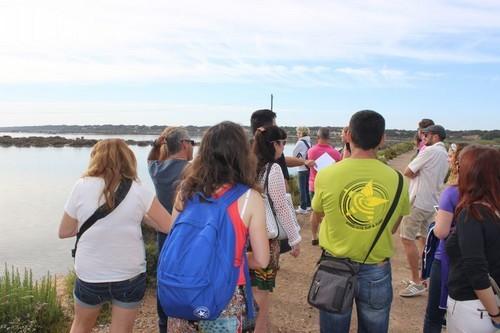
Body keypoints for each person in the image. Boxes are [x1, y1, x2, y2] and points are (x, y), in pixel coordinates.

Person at [58, 139, 172, 333]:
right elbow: (168, 225)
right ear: (128, 160)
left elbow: (65, 231)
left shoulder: (81, 186)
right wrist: (139, 217)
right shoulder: (138, 190)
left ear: (96, 159)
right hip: (128, 273)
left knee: (81, 326)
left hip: (90, 273)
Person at [311, 110, 410, 333]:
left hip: (335, 267)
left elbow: (320, 214)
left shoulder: (327, 175)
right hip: (377, 269)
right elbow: (393, 227)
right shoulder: (398, 180)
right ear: (382, 139)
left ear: (348, 136)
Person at [167, 121, 270, 333]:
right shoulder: (249, 198)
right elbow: (262, 259)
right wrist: (231, 259)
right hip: (224, 300)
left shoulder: (185, 191)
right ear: (243, 154)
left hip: (182, 295)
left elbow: (173, 240)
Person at [251, 125, 302, 332]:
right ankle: (260, 327)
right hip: (265, 238)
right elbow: (281, 206)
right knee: (262, 290)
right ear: (273, 144)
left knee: (250, 284)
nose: (283, 147)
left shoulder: (248, 165)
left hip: (245, 235)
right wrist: (295, 238)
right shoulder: (273, 169)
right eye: (282, 142)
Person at [445, 145, 500, 333]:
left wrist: (495, 315)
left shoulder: (472, 214)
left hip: (474, 309)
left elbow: (476, 270)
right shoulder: (494, 208)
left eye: (460, 166)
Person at [147, 126, 194, 333]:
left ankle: (164, 325)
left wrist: (157, 144)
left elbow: (150, 159)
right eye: (191, 142)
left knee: (164, 279)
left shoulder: (157, 170)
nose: (192, 147)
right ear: (184, 144)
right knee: (189, 279)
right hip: (188, 236)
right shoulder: (192, 171)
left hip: (164, 236)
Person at [400, 125, 449, 297]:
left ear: (435, 136)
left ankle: (417, 281)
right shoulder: (445, 154)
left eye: (426, 135)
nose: (423, 137)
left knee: (406, 238)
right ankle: (424, 279)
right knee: (426, 241)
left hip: (418, 201)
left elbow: (408, 171)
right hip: (433, 202)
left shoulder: (428, 151)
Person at [423, 143, 467, 333]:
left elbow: (441, 232)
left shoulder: (452, 192)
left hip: (447, 258)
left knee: (434, 316)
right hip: (478, 260)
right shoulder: (492, 193)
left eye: (452, 157)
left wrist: (438, 220)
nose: (449, 159)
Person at [250, 109, 315, 180]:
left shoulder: (245, 149)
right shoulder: (272, 148)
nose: (277, 127)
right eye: (275, 125)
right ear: (264, 128)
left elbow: (284, 160)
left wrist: (304, 161)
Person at [307, 127, 341, 245]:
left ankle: (313, 237)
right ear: (329, 138)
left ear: (318, 137)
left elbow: (309, 166)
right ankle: (326, 237)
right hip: (330, 186)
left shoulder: (311, 151)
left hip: (314, 185)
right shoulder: (336, 153)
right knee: (327, 213)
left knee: (315, 211)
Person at [292, 126, 312, 214]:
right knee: (307, 187)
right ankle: (308, 205)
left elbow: (294, 154)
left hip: (301, 168)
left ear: (301, 133)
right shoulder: (309, 142)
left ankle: (303, 208)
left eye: (298, 133)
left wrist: (298, 159)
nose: (297, 134)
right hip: (308, 167)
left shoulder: (300, 142)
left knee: (302, 188)